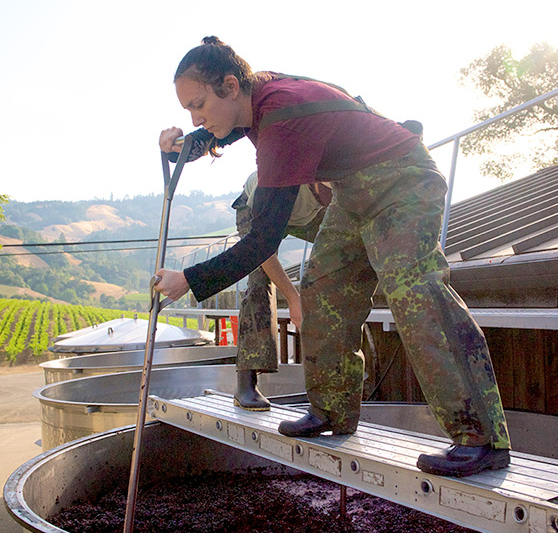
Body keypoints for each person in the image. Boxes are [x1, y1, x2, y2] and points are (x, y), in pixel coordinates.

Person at [156, 36, 511, 478]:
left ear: (230, 85)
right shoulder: (254, 97)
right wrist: (185, 145)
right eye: (189, 110)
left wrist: (189, 279)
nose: (195, 117)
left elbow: (262, 240)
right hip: (352, 192)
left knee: (414, 292)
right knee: (323, 290)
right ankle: (332, 413)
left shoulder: (281, 116)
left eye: (197, 104)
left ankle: (480, 437)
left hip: (403, 181)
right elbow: (217, 129)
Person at [231, 170, 328, 409]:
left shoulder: (341, 182)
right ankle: (246, 383)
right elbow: (262, 251)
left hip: (304, 212)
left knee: (341, 259)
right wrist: (294, 298)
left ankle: (334, 379)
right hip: (260, 206)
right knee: (259, 281)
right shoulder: (278, 185)